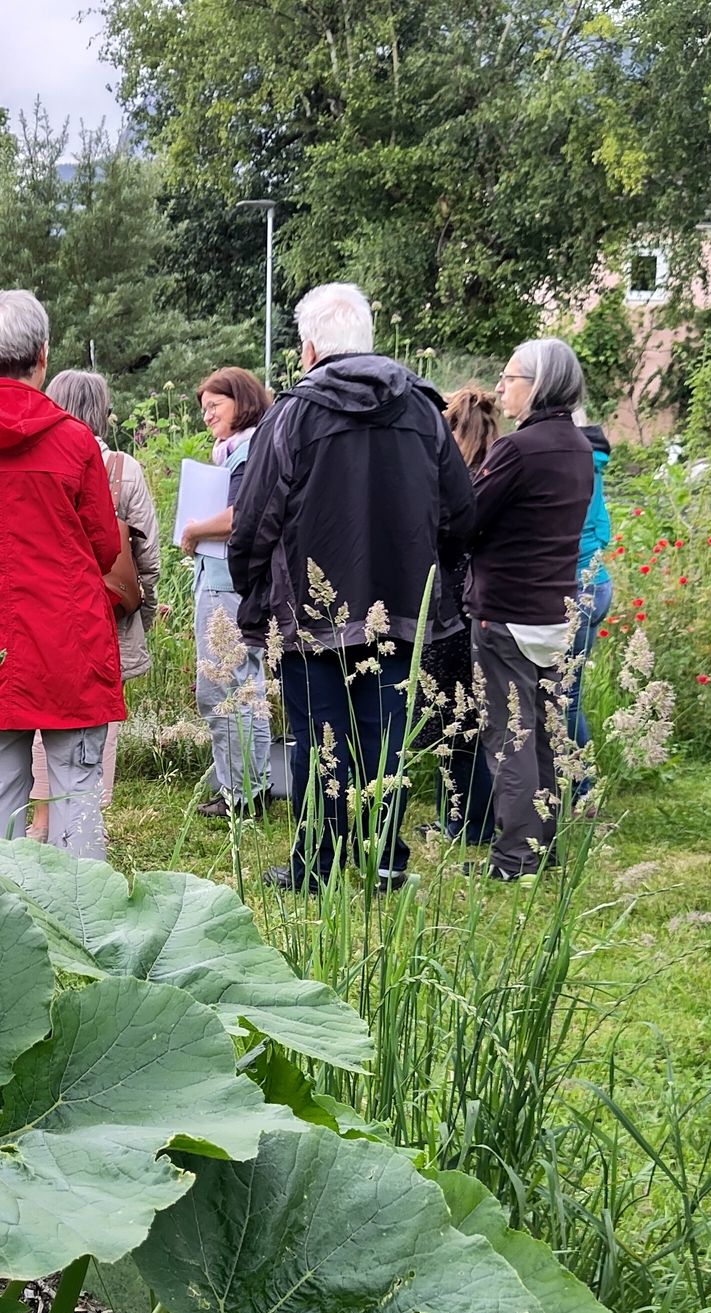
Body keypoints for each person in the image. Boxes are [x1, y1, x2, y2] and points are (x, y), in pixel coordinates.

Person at [228, 283, 476, 891]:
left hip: (309, 612)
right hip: (399, 611)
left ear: (309, 347)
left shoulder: (292, 414)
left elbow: (254, 518)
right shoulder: (424, 410)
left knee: (318, 736)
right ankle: (384, 858)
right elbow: (461, 514)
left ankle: (316, 865)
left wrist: (250, 590)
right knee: (385, 732)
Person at [0, 289, 123, 857]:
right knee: (77, 794)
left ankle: (5, 922)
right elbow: (104, 547)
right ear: (43, 353)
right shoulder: (74, 440)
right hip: (66, 638)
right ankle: (83, 925)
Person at [467, 337, 593, 880]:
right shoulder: (579, 446)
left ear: (537, 384)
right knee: (543, 732)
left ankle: (516, 856)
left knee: (509, 735)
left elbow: (468, 521)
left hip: (507, 610)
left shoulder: (518, 448)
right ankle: (546, 845)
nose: (501, 387)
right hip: (555, 608)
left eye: (510, 377)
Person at [30, 370, 159, 836]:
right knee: (101, 714)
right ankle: (87, 818)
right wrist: (143, 615)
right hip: (109, 616)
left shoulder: (40, 459)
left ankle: (42, 817)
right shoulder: (124, 469)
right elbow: (149, 560)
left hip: (46, 610)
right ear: (103, 410)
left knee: (45, 714)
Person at [181, 367, 274, 819]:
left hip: (226, 584)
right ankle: (247, 787)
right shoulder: (244, 448)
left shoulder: (249, 450)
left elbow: (241, 515)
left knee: (224, 687)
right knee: (243, 684)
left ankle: (241, 794)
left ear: (242, 400)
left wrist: (194, 529)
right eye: (203, 410)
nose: (207, 416)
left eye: (214, 405)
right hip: (233, 581)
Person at [419, 386, 497, 845]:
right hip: (474, 603)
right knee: (466, 719)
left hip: (450, 606)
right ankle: (466, 818)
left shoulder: (453, 480)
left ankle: (467, 823)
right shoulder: (491, 469)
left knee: (454, 722)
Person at [566, 408, 615, 798]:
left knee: (561, 696)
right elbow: (603, 529)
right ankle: (578, 784)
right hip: (596, 583)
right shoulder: (595, 466)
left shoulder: (573, 465)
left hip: (576, 586)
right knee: (567, 693)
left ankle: (582, 788)